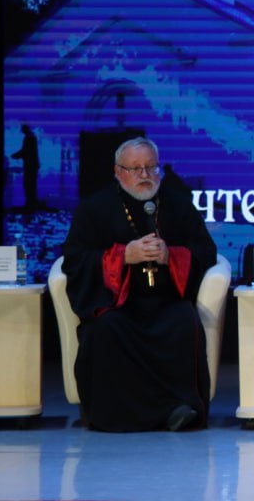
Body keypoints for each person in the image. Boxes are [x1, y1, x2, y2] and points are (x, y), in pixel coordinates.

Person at [60, 137, 216, 432]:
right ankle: (132, 414)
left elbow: (205, 251)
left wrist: (172, 255)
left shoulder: (178, 204)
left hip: (166, 300)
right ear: (118, 172)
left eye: (150, 167)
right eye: (135, 169)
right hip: (117, 303)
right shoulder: (94, 208)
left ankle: (181, 408)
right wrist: (122, 256)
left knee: (184, 321)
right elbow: (75, 259)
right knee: (105, 329)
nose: (144, 175)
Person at [12, 124, 40, 210]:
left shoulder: (29, 137)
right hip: (33, 164)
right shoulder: (32, 136)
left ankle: (30, 205)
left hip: (30, 165)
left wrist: (16, 155)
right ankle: (31, 204)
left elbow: (26, 151)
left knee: (29, 185)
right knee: (31, 185)